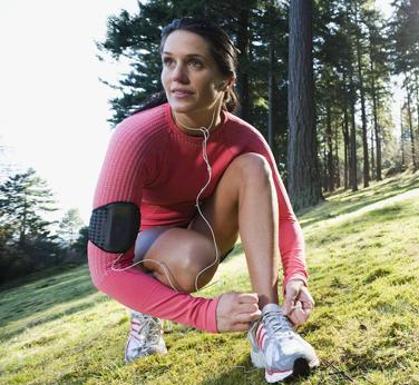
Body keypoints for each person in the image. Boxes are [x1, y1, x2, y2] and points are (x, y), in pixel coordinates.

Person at [87, 17, 319, 383]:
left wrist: (297, 277)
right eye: (168, 61)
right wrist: (205, 314)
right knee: (190, 261)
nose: (176, 76)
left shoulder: (245, 136)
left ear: (225, 81)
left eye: (194, 63)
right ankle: (144, 313)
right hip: (151, 245)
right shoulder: (134, 138)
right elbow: (106, 269)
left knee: (253, 166)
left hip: (204, 227)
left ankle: (270, 325)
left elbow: (286, 220)